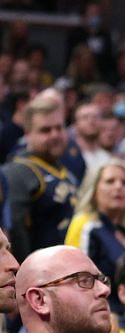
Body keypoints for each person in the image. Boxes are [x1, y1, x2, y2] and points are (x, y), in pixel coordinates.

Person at [1, 92, 77, 254]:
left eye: (59, 128)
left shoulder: (65, 171)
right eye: (45, 130)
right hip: (40, 273)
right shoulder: (17, 172)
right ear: (27, 133)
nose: (55, 135)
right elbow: (14, 231)